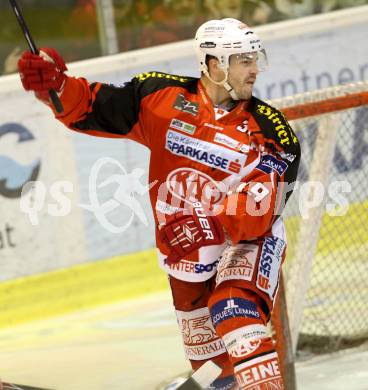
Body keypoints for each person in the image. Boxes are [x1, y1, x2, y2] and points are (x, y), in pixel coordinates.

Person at [17, 18, 300, 390]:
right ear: (214, 64)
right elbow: (89, 105)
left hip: (247, 240)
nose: (254, 70)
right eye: (243, 60)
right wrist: (55, 86)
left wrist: (210, 223)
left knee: (234, 309)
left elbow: (262, 207)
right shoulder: (159, 96)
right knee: (215, 370)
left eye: (254, 59)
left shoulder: (271, 129)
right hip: (182, 253)